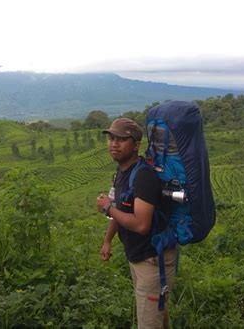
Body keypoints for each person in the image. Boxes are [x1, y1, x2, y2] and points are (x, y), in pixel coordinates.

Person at [96, 118, 177, 329]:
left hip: (152, 260)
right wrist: (108, 240)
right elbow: (120, 209)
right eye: (112, 138)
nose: (114, 143)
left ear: (135, 145)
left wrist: (107, 207)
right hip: (138, 257)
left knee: (149, 322)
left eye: (122, 139)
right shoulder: (123, 173)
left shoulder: (143, 176)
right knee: (157, 318)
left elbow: (142, 225)